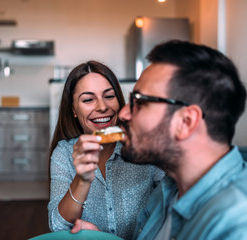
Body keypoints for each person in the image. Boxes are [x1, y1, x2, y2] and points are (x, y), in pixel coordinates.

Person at [71, 41, 247, 239]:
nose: (123, 113)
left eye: (140, 103)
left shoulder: (243, 224)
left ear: (186, 122)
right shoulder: (167, 190)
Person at [48, 60, 164, 239]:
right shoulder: (64, 153)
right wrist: (82, 179)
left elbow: (176, 201)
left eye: (109, 96)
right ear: (74, 111)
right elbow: (57, 225)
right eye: (88, 99)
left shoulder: (143, 147)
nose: (102, 107)